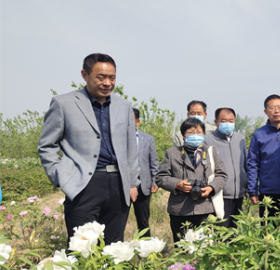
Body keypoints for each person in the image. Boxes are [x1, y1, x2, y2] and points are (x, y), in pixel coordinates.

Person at [38, 53, 140, 245]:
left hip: (119, 183)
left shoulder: (123, 106)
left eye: (112, 77)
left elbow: (130, 148)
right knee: (82, 246)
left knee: (114, 246)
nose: (107, 83)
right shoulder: (64, 103)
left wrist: (133, 182)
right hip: (83, 183)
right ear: (85, 75)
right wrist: (60, 176)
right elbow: (46, 145)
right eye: (101, 77)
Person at [157, 118, 228, 242]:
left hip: (205, 207)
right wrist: (177, 184)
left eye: (199, 133)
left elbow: (222, 175)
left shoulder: (211, 151)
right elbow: (160, 177)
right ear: (183, 136)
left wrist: (211, 188)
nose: (195, 136)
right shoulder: (172, 153)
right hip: (179, 209)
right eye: (191, 133)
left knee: (204, 247)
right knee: (181, 248)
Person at [247, 95, 280, 216]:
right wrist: (253, 191)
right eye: (272, 108)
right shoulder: (259, 134)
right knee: (267, 230)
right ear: (265, 111)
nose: (276, 111)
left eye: (279, 107)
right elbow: (253, 163)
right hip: (268, 192)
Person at [204, 107, 248, 227]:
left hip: (238, 193)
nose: (227, 123)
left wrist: (247, 184)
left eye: (231, 120)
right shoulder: (207, 140)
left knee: (235, 231)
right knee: (220, 231)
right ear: (216, 122)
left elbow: (245, 162)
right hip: (219, 194)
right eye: (223, 120)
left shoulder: (240, 139)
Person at [131, 108, 160, 235]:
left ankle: (145, 248)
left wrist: (154, 181)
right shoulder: (116, 139)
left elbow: (154, 162)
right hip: (123, 186)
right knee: (117, 220)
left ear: (138, 122)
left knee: (143, 221)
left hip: (143, 185)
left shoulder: (148, 139)